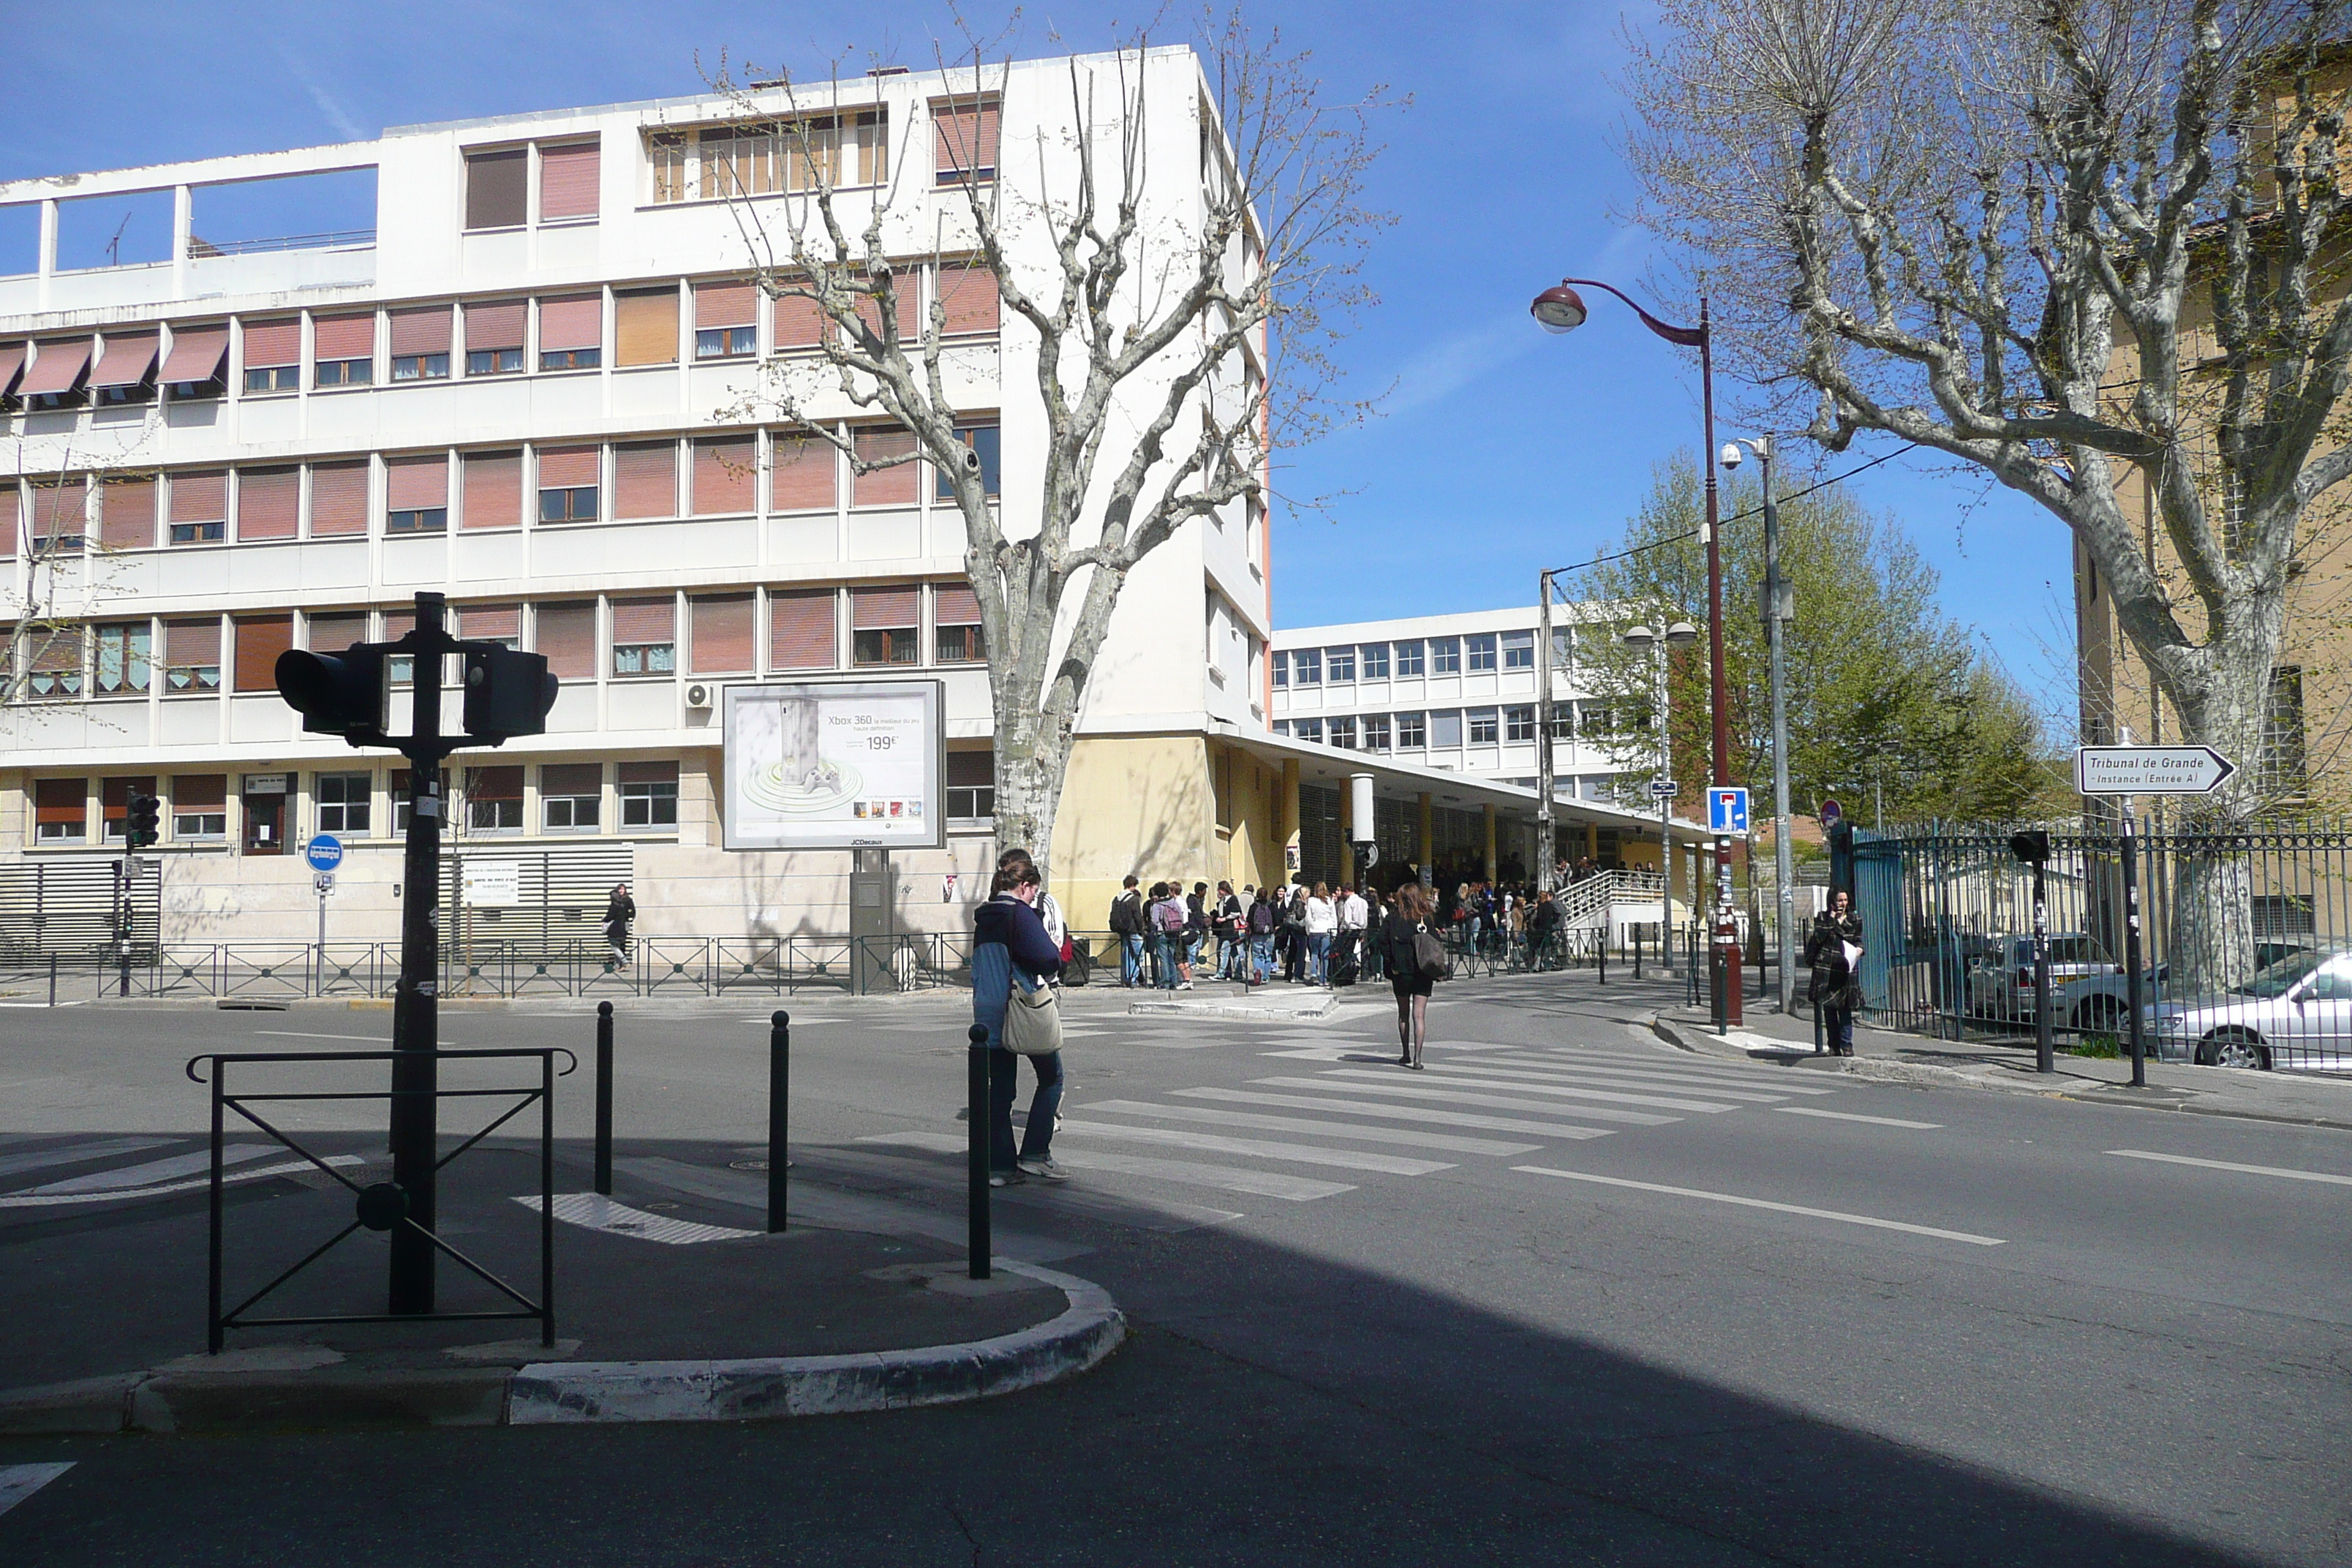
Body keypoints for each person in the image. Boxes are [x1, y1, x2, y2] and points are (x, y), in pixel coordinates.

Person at [970, 856, 1068, 1184]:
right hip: (1021, 1008)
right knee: (1052, 1077)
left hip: (987, 1011)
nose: (1033, 897)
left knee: (999, 1090)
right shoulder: (1020, 914)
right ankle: (1034, 1154)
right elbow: (1048, 958)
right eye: (1033, 891)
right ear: (1024, 886)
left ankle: (999, 1168)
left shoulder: (985, 917)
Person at [1381, 882, 1440, 1069]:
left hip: (1401, 971)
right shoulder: (1426, 919)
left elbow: (1382, 941)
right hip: (1423, 971)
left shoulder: (1393, 918)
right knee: (1419, 1016)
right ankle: (1418, 1058)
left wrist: (1391, 963)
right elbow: (1435, 943)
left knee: (1403, 1014)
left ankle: (1405, 1054)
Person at [1806, 889, 1865, 1057]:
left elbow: (1857, 939)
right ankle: (1833, 1046)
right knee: (1830, 1010)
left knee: (1845, 1009)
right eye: (1839, 900)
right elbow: (1819, 936)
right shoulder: (1823, 918)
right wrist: (1832, 918)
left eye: (1845, 900)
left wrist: (1860, 949)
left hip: (1846, 967)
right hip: (1827, 968)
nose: (1843, 904)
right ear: (1832, 901)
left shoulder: (1854, 919)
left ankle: (1847, 1046)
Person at [1149, 881, 1191, 990]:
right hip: (1174, 932)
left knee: (1163, 959)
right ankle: (1174, 981)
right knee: (1171, 958)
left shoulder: (1157, 905)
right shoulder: (1174, 902)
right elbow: (1181, 918)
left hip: (1162, 933)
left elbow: (1154, 921)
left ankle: (1165, 982)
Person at [1109, 875, 1145, 987]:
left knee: (1127, 956)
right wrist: (1142, 930)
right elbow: (1137, 916)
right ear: (1132, 885)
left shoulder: (1117, 898)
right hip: (1133, 930)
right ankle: (1133, 979)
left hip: (1122, 930)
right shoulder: (1133, 899)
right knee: (1138, 955)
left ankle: (1126, 978)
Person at [1303, 881, 1336, 985]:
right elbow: (1333, 917)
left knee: (1314, 953)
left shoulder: (1311, 901)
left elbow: (1308, 917)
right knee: (1325, 955)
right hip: (1326, 930)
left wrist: (1309, 929)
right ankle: (1323, 979)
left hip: (1314, 930)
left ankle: (1313, 973)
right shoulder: (1330, 900)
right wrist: (1334, 931)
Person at [1215, 881, 1248, 981]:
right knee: (1234, 952)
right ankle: (1238, 973)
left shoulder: (1232, 899)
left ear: (1225, 890)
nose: (1218, 892)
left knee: (1223, 952)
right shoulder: (1223, 900)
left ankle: (1221, 973)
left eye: (1220, 890)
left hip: (1229, 929)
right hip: (1226, 929)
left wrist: (1224, 919)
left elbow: (1236, 913)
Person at [1248, 887, 1278, 984]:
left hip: (1257, 934)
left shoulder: (1253, 906)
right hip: (1269, 934)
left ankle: (1258, 970)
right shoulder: (1272, 905)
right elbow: (1277, 919)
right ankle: (1265, 977)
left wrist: (1253, 930)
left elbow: (1249, 920)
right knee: (1268, 955)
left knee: (1257, 955)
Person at [602, 882, 636, 966]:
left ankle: (622, 962)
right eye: (619, 889)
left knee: (619, 944)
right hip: (622, 924)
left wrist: (627, 916)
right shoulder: (618, 901)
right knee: (619, 943)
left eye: (622, 889)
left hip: (622, 924)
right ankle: (619, 963)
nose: (621, 891)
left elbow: (633, 911)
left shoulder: (627, 900)